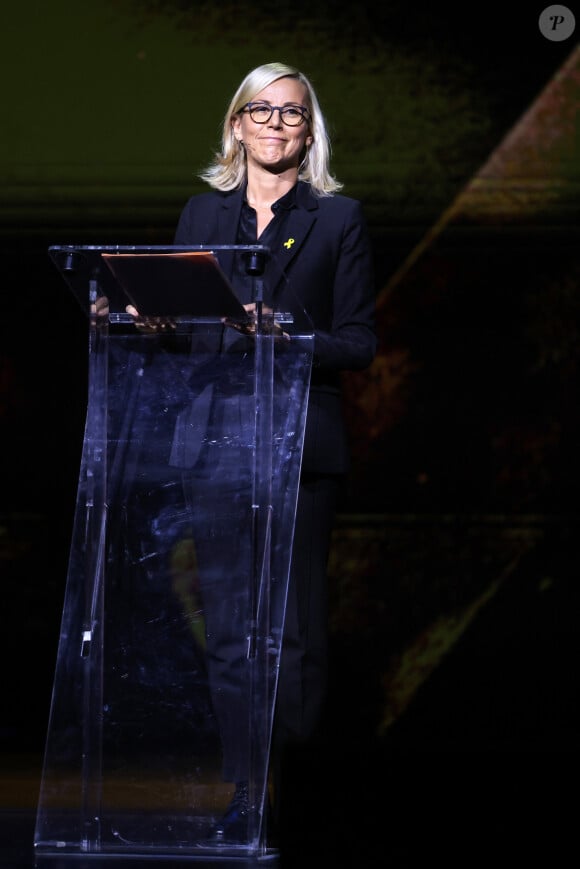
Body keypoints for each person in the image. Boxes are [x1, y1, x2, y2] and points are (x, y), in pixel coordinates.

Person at [172, 60, 377, 847]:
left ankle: (296, 788)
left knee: (291, 633)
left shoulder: (337, 219)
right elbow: (190, 326)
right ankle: (246, 791)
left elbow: (359, 344)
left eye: (291, 114)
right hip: (213, 442)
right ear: (236, 124)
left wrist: (285, 335)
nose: (275, 125)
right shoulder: (200, 215)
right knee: (227, 632)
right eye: (261, 111)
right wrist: (153, 321)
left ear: (308, 129)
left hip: (297, 443)